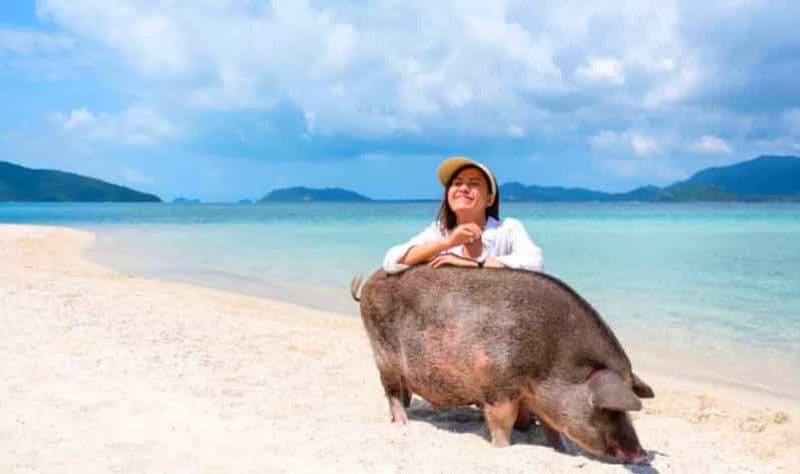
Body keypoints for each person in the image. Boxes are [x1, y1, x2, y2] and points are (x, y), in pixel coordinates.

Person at [383, 156, 543, 274]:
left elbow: (535, 262)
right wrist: (449, 243)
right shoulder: (440, 232)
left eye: (474, 183)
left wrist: (477, 265)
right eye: (457, 183)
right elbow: (391, 261)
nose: (463, 188)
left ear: (489, 199)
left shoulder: (507, 229)